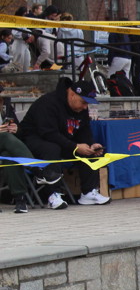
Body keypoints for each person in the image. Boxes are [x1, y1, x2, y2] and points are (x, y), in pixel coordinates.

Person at [17, 80, 110, 208]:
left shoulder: (81, 108)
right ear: (72, 95)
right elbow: (48, 133)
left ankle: (88, 192)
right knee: (52, 149)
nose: (85, 107)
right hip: (33, 139)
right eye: (84, 102)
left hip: (61, 139)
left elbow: (84, 131)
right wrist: (75, 146)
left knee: (90, 150)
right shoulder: (48, 103)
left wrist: (91, 145)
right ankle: (53, 195)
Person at [0, 94, 32, 213]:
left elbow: (21, 133)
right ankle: (37, 169)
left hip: (4, 149)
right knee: (5, 137)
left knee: (9, 157)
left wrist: (16, 129)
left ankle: (20, 199)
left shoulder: (6, 109)